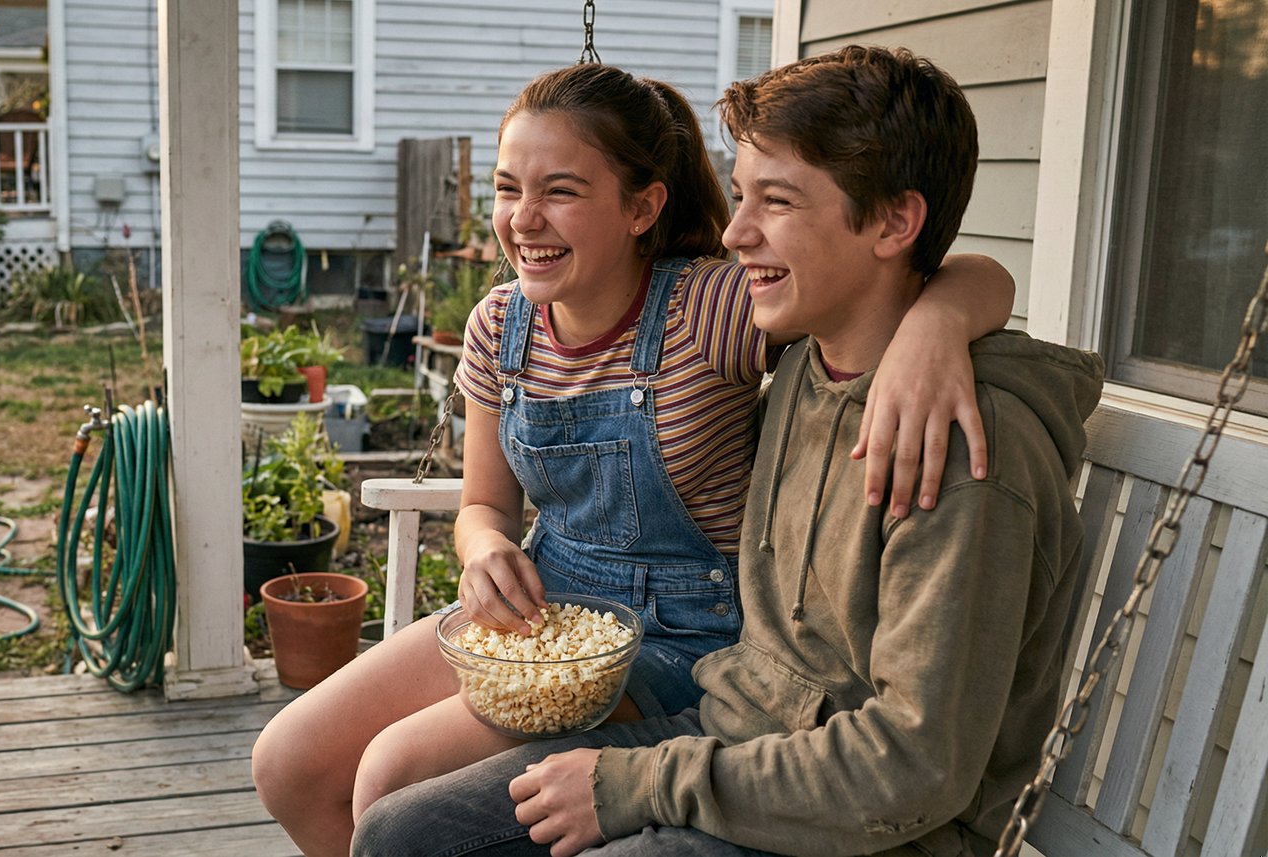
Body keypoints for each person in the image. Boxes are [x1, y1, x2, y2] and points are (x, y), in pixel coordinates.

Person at [350, 46, 1105, 857]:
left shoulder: (961, 451)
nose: (735, 233)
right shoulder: (807, 370)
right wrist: (940, 313)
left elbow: (915, 767)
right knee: (401, 830)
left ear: (894, 221)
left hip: (864, 823)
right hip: (733, 734)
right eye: (741, 196)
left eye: (774, 202)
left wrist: (635, 784)